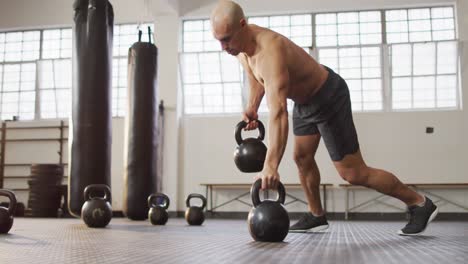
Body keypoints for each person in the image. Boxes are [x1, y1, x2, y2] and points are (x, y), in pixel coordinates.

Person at [210, 0, 438, 235]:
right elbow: (254, 75)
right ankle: (316, 214)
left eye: (226, 39)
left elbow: (278, 113)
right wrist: (252, 105)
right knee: (302, 157)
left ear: (243, 25)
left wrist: (270, 166)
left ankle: (419, 203)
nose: (223, 46)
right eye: (218, 39)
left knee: (353, 173)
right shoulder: (239, 48)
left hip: (328, 96)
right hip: (304, 101)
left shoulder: (270, 50)